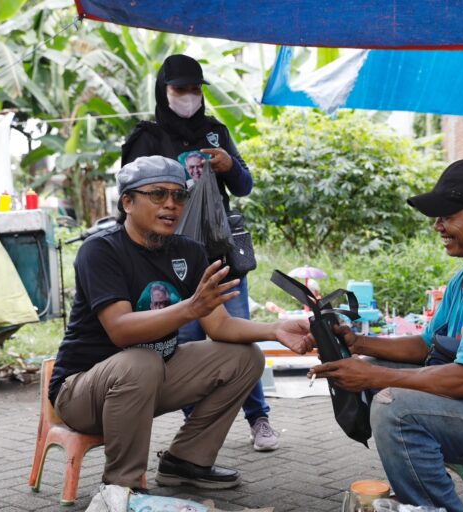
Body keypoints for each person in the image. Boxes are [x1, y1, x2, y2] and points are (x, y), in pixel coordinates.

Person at [48, 156, 312, 490]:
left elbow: (219, 326)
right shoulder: (100, 250)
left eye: (179, 196)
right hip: (82, 391)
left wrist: (275, 330)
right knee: (140, 361)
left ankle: (186, 462)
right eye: (158, 195)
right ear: (127, 201)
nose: (171, 205)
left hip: (149, 378)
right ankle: (122, 487)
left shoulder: (189, 251)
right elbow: (121, 329)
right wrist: (189, 309)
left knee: (245, 358)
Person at [310, 160, 463, 512]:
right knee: (375, 369)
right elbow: (428, 345)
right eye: (437, 218)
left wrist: (375, 377)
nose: (438, 227)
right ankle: (418, 487)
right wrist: (358, 344)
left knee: (394, 409)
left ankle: (433, 506)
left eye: (448, 216)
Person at [121, 54, 280, 452]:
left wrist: (228, 165)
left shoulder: (216, 131)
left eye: (195, 89)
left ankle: (259, 419)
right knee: (188, 341)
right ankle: (199, 429)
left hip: (218, 253)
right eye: (180, 89)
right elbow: (127, 197)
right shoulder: (147, 137)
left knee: (237, 333)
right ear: (164, 91)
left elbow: (243, 185)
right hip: (170, 257)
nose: (189, 97)